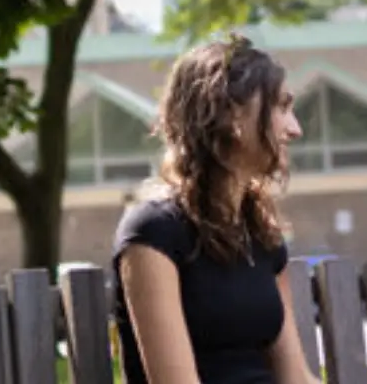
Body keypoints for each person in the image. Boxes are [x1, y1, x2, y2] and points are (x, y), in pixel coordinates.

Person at [112, 34, 318, 384]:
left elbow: (296, 377)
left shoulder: (263, 237)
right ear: (230, 114)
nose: (295, 129)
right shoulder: (155, 232)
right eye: (282, 107)